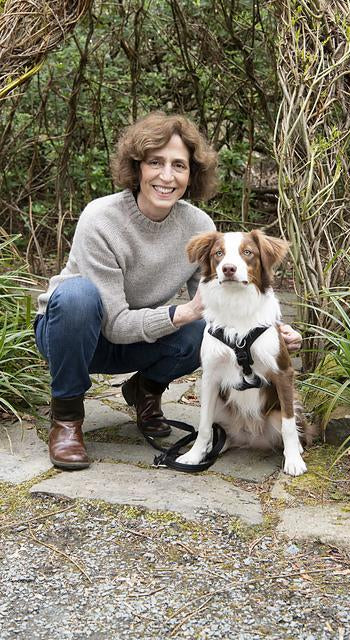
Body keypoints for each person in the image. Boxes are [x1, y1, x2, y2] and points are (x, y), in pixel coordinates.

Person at [34, 111, 302, 471]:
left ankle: (145, 391)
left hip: (136, 340)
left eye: (179, 165)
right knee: (77, 296)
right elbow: (114, 323)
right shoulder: (100, 218)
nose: (166, 175)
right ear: (137, 168)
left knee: (200, 334)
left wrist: (270, 331)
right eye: (155, 162)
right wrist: (183, 312)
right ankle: (66, 418)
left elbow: (218, 304)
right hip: (74, 335)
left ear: (192, 174)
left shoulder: (197, 224)